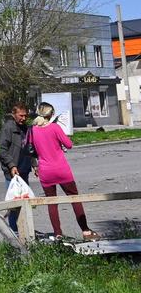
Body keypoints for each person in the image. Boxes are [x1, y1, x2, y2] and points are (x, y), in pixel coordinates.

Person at [30, 102, 98, 239]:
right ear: (51, 114)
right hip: (61, 169)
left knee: (52, 202)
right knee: (75, 198)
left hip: (45, 171)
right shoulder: (55, 128)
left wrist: (35, 165)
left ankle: (58, 233)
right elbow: (69, 145)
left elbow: (31, 149)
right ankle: (85, 230)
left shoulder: (33, 130)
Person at [0, 103, 34, 234]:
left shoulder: (26, 128)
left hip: (24, 169)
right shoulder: (8, 128)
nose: (23, 118)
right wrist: (11, 165)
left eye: (25, 115)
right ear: (14, 115)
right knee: (14, 203)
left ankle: (24, 229)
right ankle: (14, 231)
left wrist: (34, 164)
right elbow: (2, 150)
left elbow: (29, 148)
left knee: (25, 201)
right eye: (21, 115)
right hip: (12, 172)